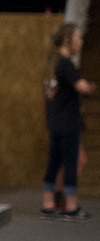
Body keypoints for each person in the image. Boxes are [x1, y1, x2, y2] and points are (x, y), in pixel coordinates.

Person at [41, 23, 95, 220]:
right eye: (78, 38)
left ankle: (50, 203)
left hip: (58, 122)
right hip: (67, 122)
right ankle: (70, 206)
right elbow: (80, 86)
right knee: (70, 163)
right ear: (67, 40)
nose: (80, 42)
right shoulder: (66, 64)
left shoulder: (56, 64)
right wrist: (89, 87)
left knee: (58, 162)